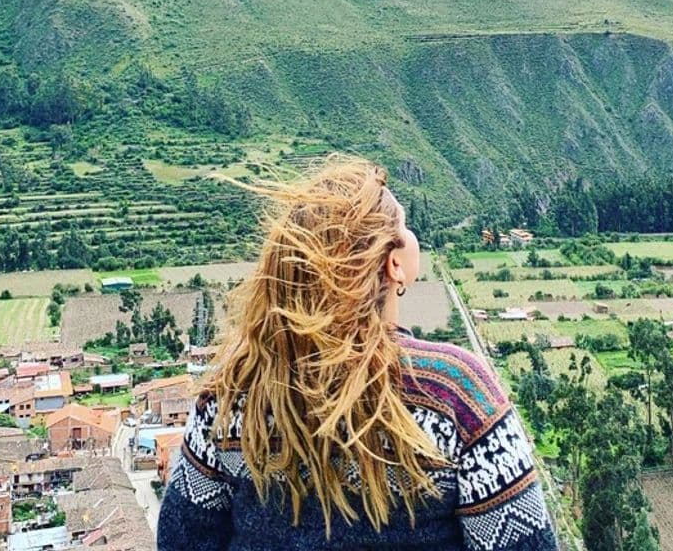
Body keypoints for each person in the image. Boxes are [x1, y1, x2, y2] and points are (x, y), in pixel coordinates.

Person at [157, 156, 558, 551]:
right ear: (394, 264)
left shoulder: (232, 393)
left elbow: (181, 538)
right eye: (404, 226)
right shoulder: (456, 392)